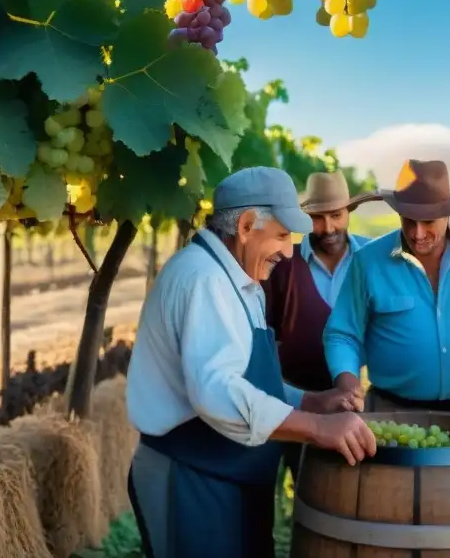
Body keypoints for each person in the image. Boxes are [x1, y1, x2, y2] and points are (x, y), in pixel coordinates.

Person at [125, 166, 376, 558]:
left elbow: (246, 376)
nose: (289, 250)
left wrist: (310, 401)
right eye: (281, 235)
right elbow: (218, 390)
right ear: (245, 226)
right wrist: (315, 428)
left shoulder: (240, 280)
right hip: (192, 478)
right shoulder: (204, 280)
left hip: (228, 474)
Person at [324, 159, 450, 415]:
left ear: (448, 213)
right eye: (409, 221)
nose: (418, 233)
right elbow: (343, 333)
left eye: (429, 222)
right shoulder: (368, 261)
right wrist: (347, 382)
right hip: (391, 411)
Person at [263, 171, 380, 480]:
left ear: (349, 213)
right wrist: (275, 398)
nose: (328, 228)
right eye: (317, 217)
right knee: (301, 485)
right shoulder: (283, 265)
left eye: (336, 216)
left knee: (347, 490)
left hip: (356, 406)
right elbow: (267, 339)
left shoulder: (372, 260)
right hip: (295, 405)